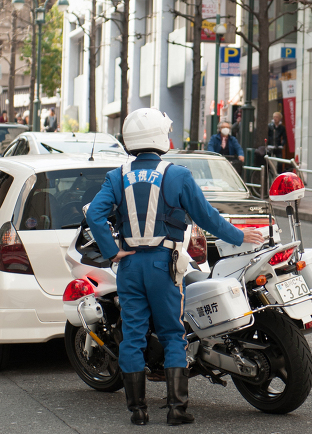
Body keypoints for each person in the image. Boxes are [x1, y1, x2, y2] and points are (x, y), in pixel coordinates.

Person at [86, 108, 266, 425]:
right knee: (172, 335)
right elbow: (206, 216)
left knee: (132, 338)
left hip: (129, 265)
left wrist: (112, 251)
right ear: (158, 136)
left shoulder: (117, 176)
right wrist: (239, 235)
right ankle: (176, 410)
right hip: (163, 264)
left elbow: (95, 215)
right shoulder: (178, 175)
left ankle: (138, 412)